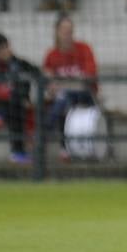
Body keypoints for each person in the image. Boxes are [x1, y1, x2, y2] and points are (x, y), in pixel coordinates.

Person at [42, 13, 100, 154]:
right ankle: (64, 149)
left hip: (85, 95)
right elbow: (48, 82)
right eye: (64, 30)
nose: (68, 34)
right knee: (62, 101)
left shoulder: (84, 49)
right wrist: (53, 85)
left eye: (70, 31)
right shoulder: (51, 55)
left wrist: (62, 85)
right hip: (63, 99)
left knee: (63, 97)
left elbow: (88, 77)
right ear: (57, 32)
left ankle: (43, 135)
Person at [0, 33, 38, 164]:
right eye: (4, 48)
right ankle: (17, 152)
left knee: (21, 102)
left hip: (12, 105)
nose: (9, 51)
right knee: (15, 105)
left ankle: (27, 147)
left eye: (8, 46)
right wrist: (17, 96)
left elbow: (34, 70)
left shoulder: (15, 62)